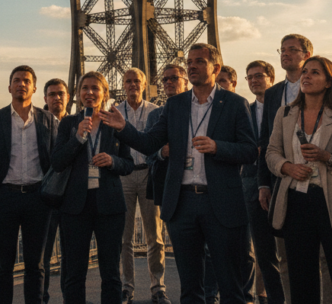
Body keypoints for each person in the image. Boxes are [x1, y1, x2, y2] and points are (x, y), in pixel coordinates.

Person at [100, 43, 257, 304]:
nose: (192, 66)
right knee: (190, 286)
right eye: (190, 62)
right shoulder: (175, 105)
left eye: (199, 61)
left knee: (230, 285)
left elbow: (250, 150)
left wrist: (218, 147)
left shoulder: (234, 103)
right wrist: (123, 127)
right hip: (182, 203)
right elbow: (150, 143)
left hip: (220, 202)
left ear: (215, 68)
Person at [265, 56, 332, 304]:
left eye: (315, 73)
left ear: (329, 82)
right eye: (305, 72)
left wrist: (327, 157)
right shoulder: (285, 113)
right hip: (296, 203)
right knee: (301, 279)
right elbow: (271, 153)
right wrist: (287, 167)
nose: (306, 77)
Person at [258, 35, 332, 304]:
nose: (286, 54)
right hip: (282, 183)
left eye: (293, 49)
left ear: (308, 53)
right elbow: (266, 142)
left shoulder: (324, 91)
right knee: (287, 257)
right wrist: (264, 184)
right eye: (283, 49)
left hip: (320, 185)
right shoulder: (273, 94)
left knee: (326, 258)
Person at [52, 71, 134, 304]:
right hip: (75, 206)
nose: (89, 93)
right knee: (74, 272)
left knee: (110, 272)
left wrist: (112, 161)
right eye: (85, 88)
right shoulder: (69, 123)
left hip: (109, 205)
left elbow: (128, 164)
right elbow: (57, 162)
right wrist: (77, 137)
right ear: (78, 94)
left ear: (104, 93)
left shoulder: (115, 122)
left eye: (95, 88)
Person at [0, 66, 57, 304]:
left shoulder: (48, 120)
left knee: (36, 264)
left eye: (26, 81)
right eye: (17, 80)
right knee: (3, 265)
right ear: (9, 86)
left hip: (38, 199)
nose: (21, 84)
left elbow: (55, 160)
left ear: (34, 87)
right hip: (5, 198)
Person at [116, 68, 168, 304]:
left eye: (137, 81)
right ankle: (126, 287)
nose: (133, 85)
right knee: (124, 237)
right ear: (123, 85)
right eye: (128, 81)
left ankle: (158, 287)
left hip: (149, 174)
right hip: (124, 175)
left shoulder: (156, 112)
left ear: (145, 85)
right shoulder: (115, 112)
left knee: (154, 236)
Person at [242, 61, 284, 304]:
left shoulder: (283, 106)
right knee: (264, 253)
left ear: (271, 77)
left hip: (281, 181)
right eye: (249, 77)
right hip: (251, 187)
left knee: (289, 253)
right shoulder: (244, 110)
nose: (253, 81)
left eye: (258, 76)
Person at [146, 64, 189, 208]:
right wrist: (161, 153)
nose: (168, 82)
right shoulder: (154, 115)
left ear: (186, 82)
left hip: (194, 182)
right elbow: (147, 151)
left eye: (174, 78)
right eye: (165, 80)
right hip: (166, 181)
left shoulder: (198, 110)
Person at [40, 78, 68, 304]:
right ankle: (42, 298)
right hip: (46, 198)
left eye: (61, 94)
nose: (57, 98)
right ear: (45, 99)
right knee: (43, 256)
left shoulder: (79, 122)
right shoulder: (37, 123)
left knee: (71, 255)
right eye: (52, 94)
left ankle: (71, 297)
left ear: (68, 97)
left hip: (70, 198)